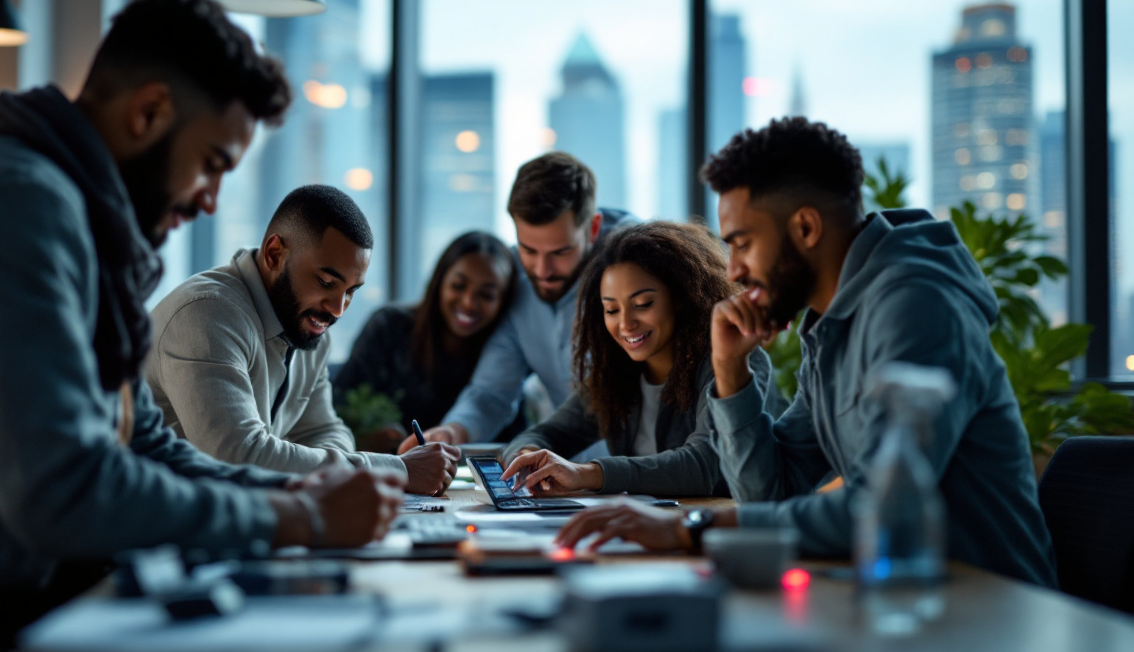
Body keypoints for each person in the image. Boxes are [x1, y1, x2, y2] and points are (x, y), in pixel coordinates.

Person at [0, 0, 402, 652]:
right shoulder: (14, 209)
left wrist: (295, 501)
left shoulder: (74, 225)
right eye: (214, 163)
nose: (212, 199)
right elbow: (64, 489)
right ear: (149, 112)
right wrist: (295, 522)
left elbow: (148, 448)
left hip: (13, 610)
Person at [555, 117, 1057, 588]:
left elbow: (882, 508)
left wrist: (694, 526)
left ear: (807, 229)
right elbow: (768, 494)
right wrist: (729, 371)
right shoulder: (831, 326)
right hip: (903, 595)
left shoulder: (915, 305)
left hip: (985, 612)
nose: (732, 271)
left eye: (743, 243)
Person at [145, 185, 460, 495]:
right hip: (156, 534)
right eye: (326, 282)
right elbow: (238, 457)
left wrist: (332, 475)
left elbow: (324, 431)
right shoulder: (205, 315)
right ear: (274, 254)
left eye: (350, 291)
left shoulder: (307, 329)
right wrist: (396, 471)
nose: (337, 309)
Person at [499, 221, 781, 497]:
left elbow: (708, 465)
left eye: (643, 304)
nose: (626, 324)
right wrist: (527, 456)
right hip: (652, 529)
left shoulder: (734, 359)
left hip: (734, 530)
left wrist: (588, 473)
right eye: (611, 310)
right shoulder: (617, 373)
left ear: (681, 297)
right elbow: (547, 433)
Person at [408, 152, 635, 447]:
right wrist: (453, 431)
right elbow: (492, 392)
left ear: (592, 228)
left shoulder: (635, 264)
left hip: (654, 469)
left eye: (559, 252)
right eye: (529, 249)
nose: (542, 271)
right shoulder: (514, 279)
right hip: (574, 472)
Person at [333, 231, 525, 443]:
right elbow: (340, 404)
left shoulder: (505, 353)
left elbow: (511, 432)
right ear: (439, 282)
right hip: (386, 465)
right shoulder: (389, 326)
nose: (469, 302)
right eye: (458, 286)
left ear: (503, 302)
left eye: (486, 295)